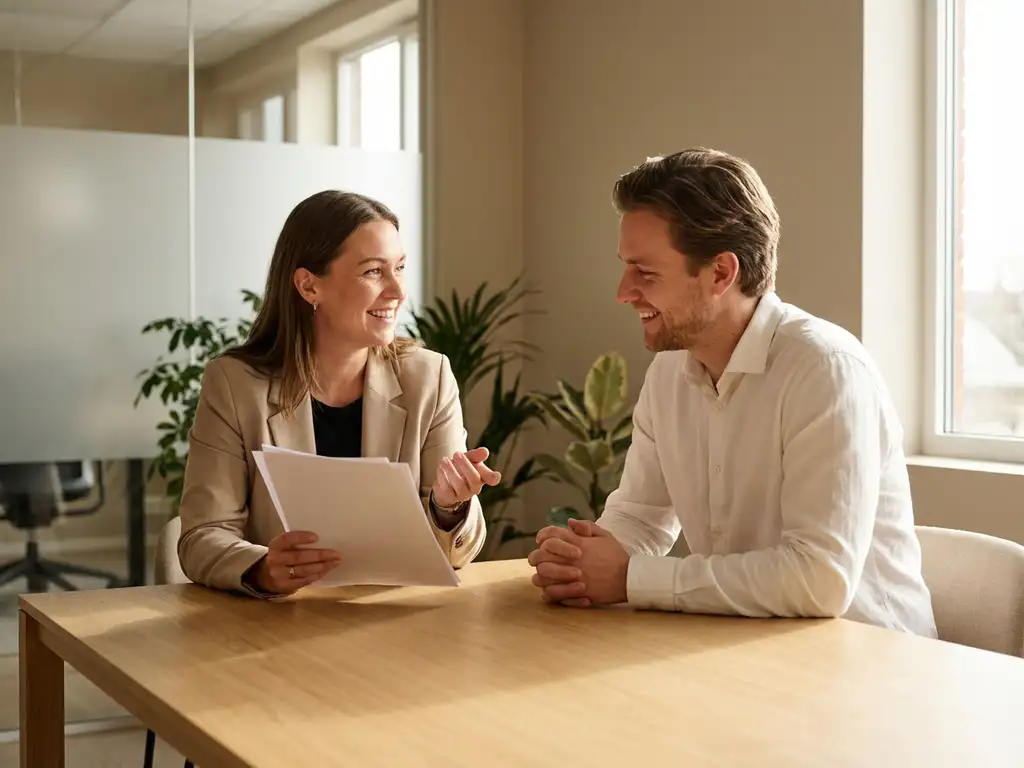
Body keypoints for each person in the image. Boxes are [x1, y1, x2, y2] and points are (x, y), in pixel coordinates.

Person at [527, 148, 937, 637]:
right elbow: (641, 518)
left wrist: (631, 578)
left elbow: (820, 581)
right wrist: (580, 562)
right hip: (746, 650)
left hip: (872, 668)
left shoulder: (824, 369)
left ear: (722, 272)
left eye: (646, 272)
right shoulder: (669, 373)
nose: (623, 291)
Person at [177, 190, 499, 597]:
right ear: (309, 286)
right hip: (272, 629)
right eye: (373, 272)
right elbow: (201, 537)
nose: (398, 291)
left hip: (392, 627)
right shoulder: (235, 385)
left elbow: (454, 555)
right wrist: (260, 568)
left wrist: (447, 508)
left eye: (399, 268)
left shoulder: (428, 377)